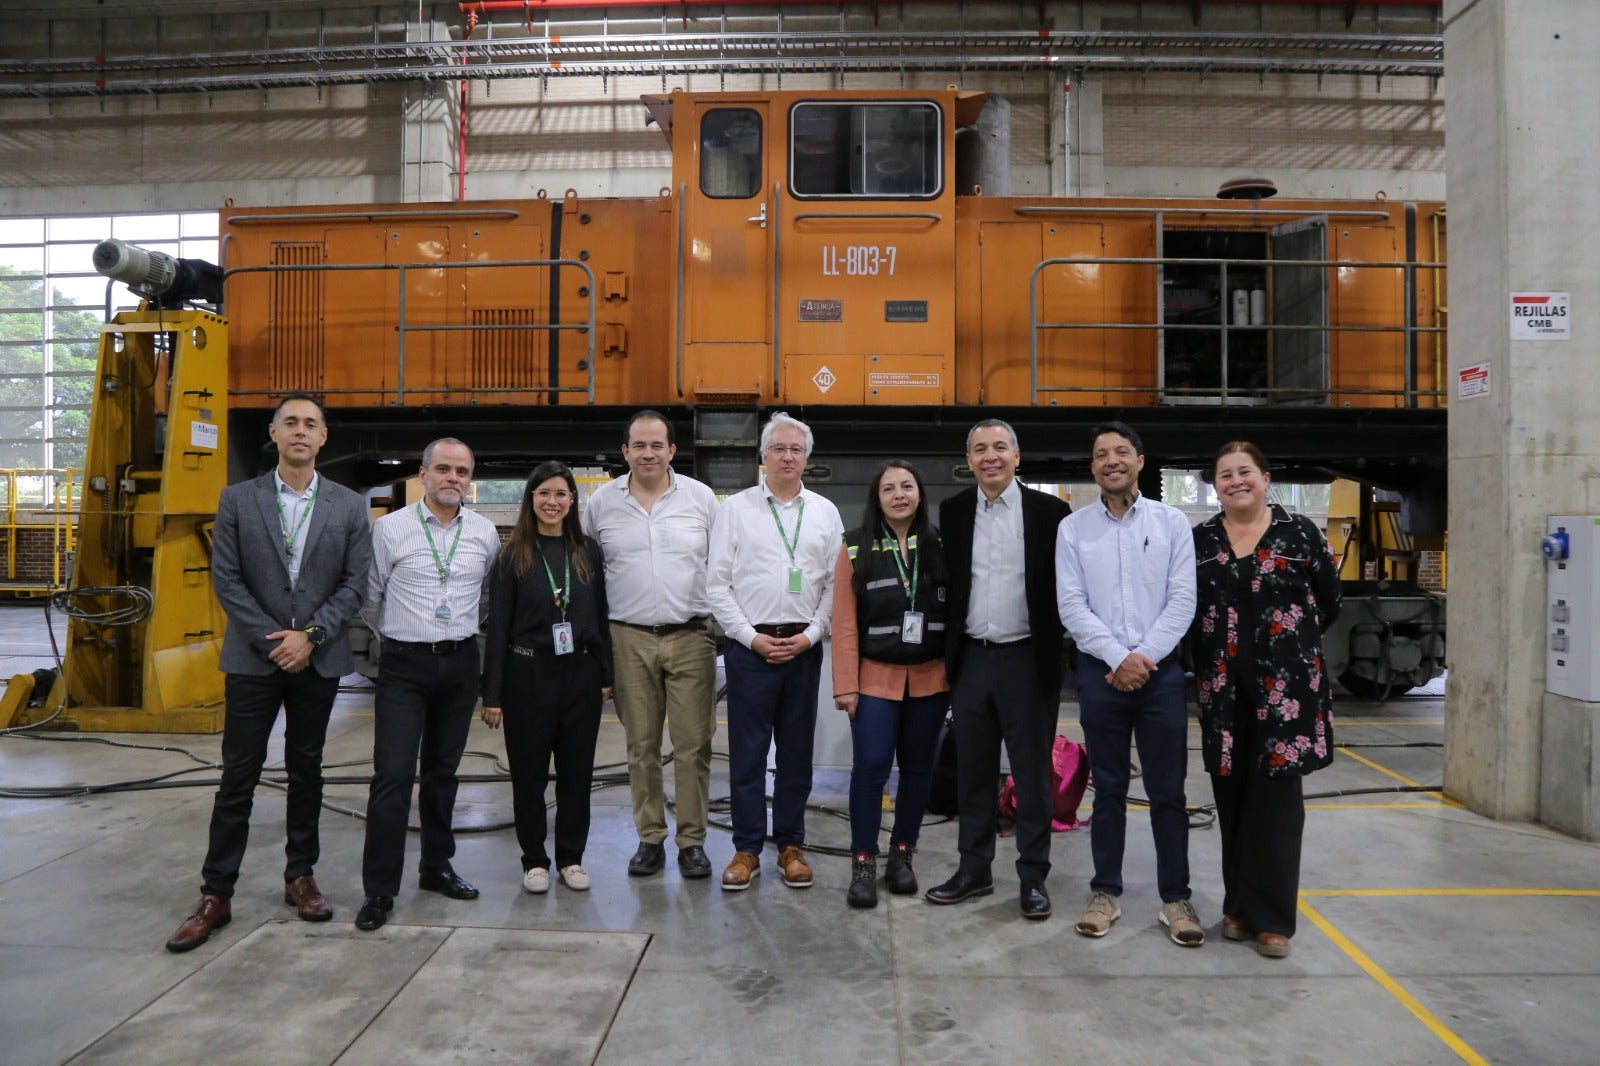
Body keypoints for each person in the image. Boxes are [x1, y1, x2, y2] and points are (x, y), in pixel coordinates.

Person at [166, 393, 372, 952]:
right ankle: (216, 893)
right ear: (274, 433)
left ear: (323, 437)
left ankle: (300, 876)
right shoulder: (238, 499)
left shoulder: (349, 506)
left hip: (318, 659)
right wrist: (276, 641)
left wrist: (312, 637)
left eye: (311, 424)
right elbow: (227, 579)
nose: (301, 431)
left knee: (307, 772)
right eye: (291, 422)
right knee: (238, 776)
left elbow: (354, 584)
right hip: (253, 661)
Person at [1190, 441, 1341, 959]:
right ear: (1215, 486)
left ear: (1265, 478)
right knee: (1231, 798)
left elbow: (1329, 600)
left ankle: (1273, 919)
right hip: (1222, 692)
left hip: (1287, 693)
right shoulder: (1201, 540)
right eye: (1225, 474)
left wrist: (1287, 646)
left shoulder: (1300, 533)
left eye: (1245, 471)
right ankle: (1237, 907)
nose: (1236, 481)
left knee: (1276, 805)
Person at [1056, 421, 1202, 946]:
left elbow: (1182, 600)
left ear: (1140, 460)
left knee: (1168, 792)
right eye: (1101, 454)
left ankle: (1176, 899)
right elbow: (1071, 605)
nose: (1111, 461)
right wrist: (1118, 658)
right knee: (1109, 788)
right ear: (1093, 467)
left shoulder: (1171, 523)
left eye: (1121, 451)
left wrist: (1143, 658)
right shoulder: (1073, 530)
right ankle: (1105, 892)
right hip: (1101, 674)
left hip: (1160, 676)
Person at [354, 438, 503, 932]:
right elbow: (370, 598)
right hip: (404, 666)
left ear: (470, 478)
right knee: (393, 775)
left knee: (443, 775)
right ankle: (380, 889)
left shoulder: (483, 533)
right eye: (443, 469)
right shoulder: (390, 529)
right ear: (423, 474)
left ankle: (436, 867)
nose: (452, 478)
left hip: (459, 664)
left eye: (462, 471)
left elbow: (485, 598)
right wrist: (400, 639)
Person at [926, 419, 1071, 921]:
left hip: (1027, 660)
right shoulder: (954, 510)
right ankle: (974, 869)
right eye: (980, 449)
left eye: (1000, 447)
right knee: (974, 773)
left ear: (1016, 456)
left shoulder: (1050, 513)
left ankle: (1033, 877)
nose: (990, 456)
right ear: (969, 461)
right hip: (972, 660)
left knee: (1031, 777)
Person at [707, 412, 844, 892]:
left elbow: (835, 585)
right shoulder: (736, 510)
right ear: (763, 455)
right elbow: (716, 585)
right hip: (751, 650)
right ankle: (746, 848)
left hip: (804, 649)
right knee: (746, 754)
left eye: (796, 449)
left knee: (796, 754)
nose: (788, 456)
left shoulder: (825, 512)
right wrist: (750, 638)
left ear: (807, 457)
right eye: (779, 448)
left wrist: (812, 635)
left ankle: (790, 845)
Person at [583, 411, 720, 880]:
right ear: (625, 451)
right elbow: (588, 571)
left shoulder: (701, 499)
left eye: (656, 445)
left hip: (691, 636)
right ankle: (650, 838)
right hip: (628, 638)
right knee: (641, 744)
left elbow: (723, 564)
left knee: (693, 744)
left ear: (672, 451)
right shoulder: (601, 503)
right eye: (638, 445)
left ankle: (692, 841)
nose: (648, 453)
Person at [481, 462, 612, 895]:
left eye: (560, 494)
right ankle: (535, 860)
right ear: (531, 499)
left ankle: (571, 858)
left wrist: (606, 673)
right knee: (529, 775)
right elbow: (498, 627)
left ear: (572, 500)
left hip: (581, 674)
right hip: (527, 675)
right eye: (543, 494)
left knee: (577, 774)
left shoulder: (587, 551)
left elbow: (601, 615)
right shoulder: (513, 555)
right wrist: (492, 694)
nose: (552, 502)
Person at [831, 460, 950, 909]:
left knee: (918, 770)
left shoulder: (942, 544)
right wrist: (846, 684)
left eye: (907, 486)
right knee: (871, 769)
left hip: (930, 680)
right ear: (876, 498)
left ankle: (902, 856)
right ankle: (863, 862)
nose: (899, 495)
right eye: (889, 488)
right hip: (874, 680)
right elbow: (844, 623)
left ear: (919, 493)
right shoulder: (855, 546)